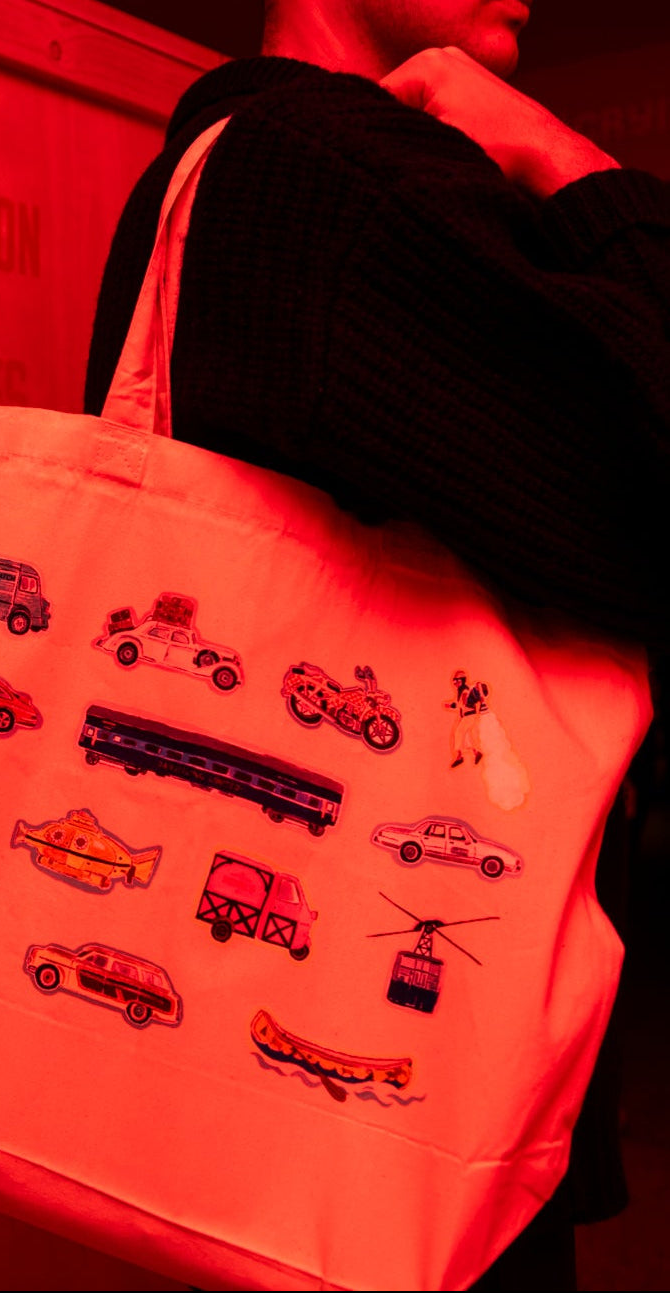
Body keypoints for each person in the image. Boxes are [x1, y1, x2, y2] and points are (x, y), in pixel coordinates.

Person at [84, 1, 670, 1287]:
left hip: (260, 1084)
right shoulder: (339, 181)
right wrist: (575, 166)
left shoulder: (216, 173)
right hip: (403, 1105)